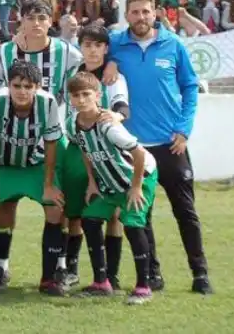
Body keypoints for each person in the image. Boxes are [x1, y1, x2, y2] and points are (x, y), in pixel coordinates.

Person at [104, 0, 211, 294]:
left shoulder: (173, 45)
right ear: (127, 16)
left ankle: (200, 273)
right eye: (135, 12)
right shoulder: (116, 45)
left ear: (156, 13)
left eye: (146, 12)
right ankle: (152, 273)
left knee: (186, 212)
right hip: (134, 148)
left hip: (171, 144)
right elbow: (93, 52)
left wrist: (184, 128)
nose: (141, 17)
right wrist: (110, 61)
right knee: (140, 215)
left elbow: (190, 88)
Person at [0, 0, 83, 284]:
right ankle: (2, 265)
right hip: (10, 140)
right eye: (31, 18)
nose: (37, 24)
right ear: (21, 20)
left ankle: (62, 265)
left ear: (50, 21)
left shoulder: (67, 52)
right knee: (7, 203)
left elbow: (79, 84)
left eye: (42, 18)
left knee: (61, 203)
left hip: (54, 138)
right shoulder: (5, 53)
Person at [65, 71, 157, 305]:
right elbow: (86, 151)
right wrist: (92, 183)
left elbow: (137, 154)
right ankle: (101, 282)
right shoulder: (73, 123)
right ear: (70, 99)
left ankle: (143, 286)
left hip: (138, 176)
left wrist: (136, 187)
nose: (81, 100)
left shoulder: (108, 125)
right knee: (91, 219)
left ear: (97, 95)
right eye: (76, 95)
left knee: (134, 226)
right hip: (107, 182)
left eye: (86, 94)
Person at [0, 60, 65, 297]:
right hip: (1, 165)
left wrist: (48, 185)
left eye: (28, 86)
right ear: (8, 85)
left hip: (34, 164)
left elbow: (52, 144)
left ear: (37, 86)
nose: (22, 91)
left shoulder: (48, 103)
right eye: (17, 85)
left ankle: (48, 279)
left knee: (55, 209)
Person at [59, 24, 129, 290]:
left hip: (107, 149)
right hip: (77, 150)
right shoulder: (72, 73)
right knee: (74, 211)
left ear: (105, 48)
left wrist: (117, 116)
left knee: (112, 213)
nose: (92, 50)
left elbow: (122, 106)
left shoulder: (113, 76)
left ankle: (111, 274)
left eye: (97, 45)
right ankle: (72, 269)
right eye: (87, 45)